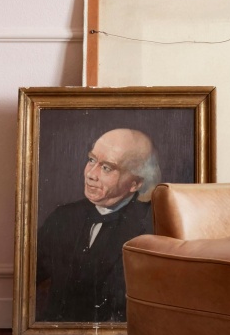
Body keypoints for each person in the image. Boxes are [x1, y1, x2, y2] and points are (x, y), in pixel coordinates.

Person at [35, 128, 160, 324]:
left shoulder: (152, 226)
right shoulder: (63, 217)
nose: (91, 174)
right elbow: (30, 277)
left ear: (134, 183)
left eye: (107, 168)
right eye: (92, 160)